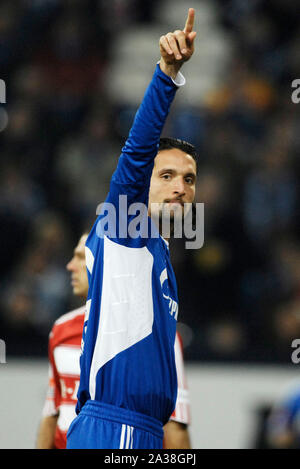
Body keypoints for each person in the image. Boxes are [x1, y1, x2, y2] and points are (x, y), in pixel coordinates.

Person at [67, 8, 197, 449]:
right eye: (167, 176)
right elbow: (138, 150)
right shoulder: (126, 229)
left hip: (140, 431)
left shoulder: (155, 250)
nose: (181, 187)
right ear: (141, 184)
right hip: (116, 427)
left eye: (190, 178)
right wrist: (166, 74)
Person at [36, 234, 191, 449]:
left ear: (106, 261)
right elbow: (52, 412)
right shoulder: (61, 330)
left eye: (82, 257)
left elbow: (174, 427)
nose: (71, 266)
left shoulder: (156, 331)